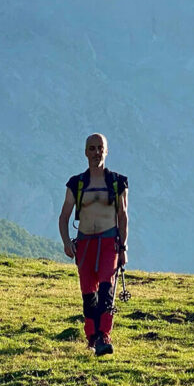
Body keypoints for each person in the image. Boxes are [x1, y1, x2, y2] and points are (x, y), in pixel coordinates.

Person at [58, 133, 128, 356]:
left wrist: (123, 247)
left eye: (100, 148)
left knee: (107, 289)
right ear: (85, 152)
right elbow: (64, 217)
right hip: (85, 244)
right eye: (92, 148)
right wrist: (67, 243)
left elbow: (123, 215)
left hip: (109, 243)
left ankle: (104, 335)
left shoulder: (118, 183)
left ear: (106, 151)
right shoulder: (76, 183)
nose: (96, 152)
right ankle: (92, 337)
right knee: (88, 293)